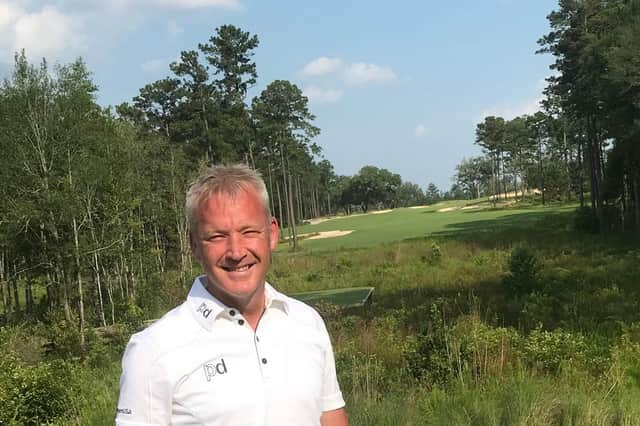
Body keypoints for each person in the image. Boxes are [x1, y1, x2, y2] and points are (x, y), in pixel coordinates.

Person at [116, 164, 348, 426]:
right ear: (194, 244)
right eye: (217, 236)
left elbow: (331, 416)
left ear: (272, 234)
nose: (236, 252)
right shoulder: (152, 350)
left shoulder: (308, 322)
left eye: (249, 231)